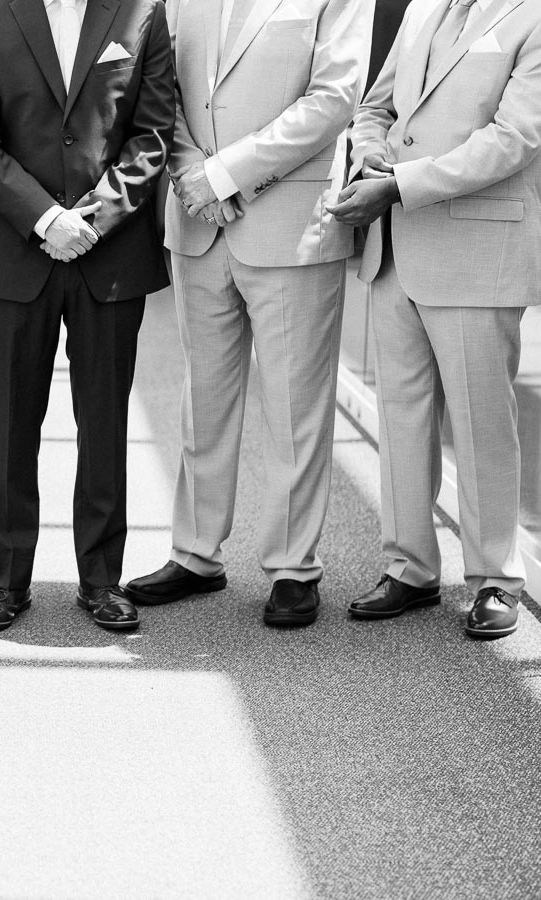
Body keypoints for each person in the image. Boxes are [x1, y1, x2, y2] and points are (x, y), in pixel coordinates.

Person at [329, 0, 541, 638]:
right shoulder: (426, 6)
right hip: (396, 252)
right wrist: (370, 154)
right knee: (402, 418)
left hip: (478, 252)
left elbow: (514, 139)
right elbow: (375, 107)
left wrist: (397, 184)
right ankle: (409, 567)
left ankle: (495, 580)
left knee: (482, 425)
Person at [125, 0, 373, 628]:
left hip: (289, 225)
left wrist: (226, 175)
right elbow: (161, 87)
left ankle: (293, 568)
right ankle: (195, 554)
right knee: (202, 402)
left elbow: (333, 100)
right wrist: (193, 174)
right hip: (197, 219)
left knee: (295, 406)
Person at [0, 0, 175, 633]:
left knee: (104, 422)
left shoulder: (142, 11)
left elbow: (152, 134)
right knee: (11, 423)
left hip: (110, 255)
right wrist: (46, 219)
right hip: (15, 251)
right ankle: (7, 581)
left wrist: (93, 218)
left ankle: (101, 580)